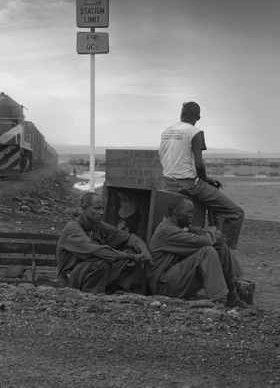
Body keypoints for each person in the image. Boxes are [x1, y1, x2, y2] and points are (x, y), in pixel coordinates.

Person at [159, 101, 244, 249]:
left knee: (210, 197)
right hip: (189, 184)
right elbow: (199, 164)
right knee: (236, 213)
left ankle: (210, 237)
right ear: (198, 117)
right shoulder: (195, 132)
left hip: (168, 181)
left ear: (181, 114)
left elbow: (163, 157)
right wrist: (205, 179)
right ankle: (223, 251)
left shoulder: (167, 131)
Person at [147, 199, 247, 306]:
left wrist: (210, 233)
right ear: (176, 212)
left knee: (220, 246)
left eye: (192, 212)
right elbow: (205, 241)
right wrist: (212, 231)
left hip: (174, 279)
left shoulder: (180, 227)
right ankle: (219, 299)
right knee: (207, 251)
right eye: (189, 212)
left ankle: (232, 295)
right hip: (163, 286)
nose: (192, 215)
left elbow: (205, 234)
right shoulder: (166, 230)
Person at [57, 192, 151, 294]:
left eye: (102, 208)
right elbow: (96, 251)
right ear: (85, 209)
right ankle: (92, 296)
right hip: (70, 279)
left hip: (92, 273)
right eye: (97, 209)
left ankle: (117, 290)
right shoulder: (72, 230)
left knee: (134, 251)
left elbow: (129, 237)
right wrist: (130, 257)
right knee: (103, 261)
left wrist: (144, 251)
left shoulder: (98, 226)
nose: (101, 213)